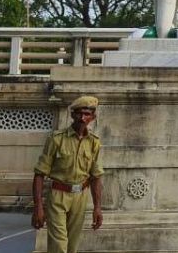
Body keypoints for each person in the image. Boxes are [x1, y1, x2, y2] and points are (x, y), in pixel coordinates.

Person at [32, 95, 104, 253]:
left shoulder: (94, 142)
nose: (82, 118)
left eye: (87, 114)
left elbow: (96, 176)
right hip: (58, 195)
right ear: (72, 115)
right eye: (79, 113)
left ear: (93, 117)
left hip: (80, 196)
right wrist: (38, 206)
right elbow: (39, 174)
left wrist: (97, 208)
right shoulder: (56, 139)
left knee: (72, 246)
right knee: (59, 245)